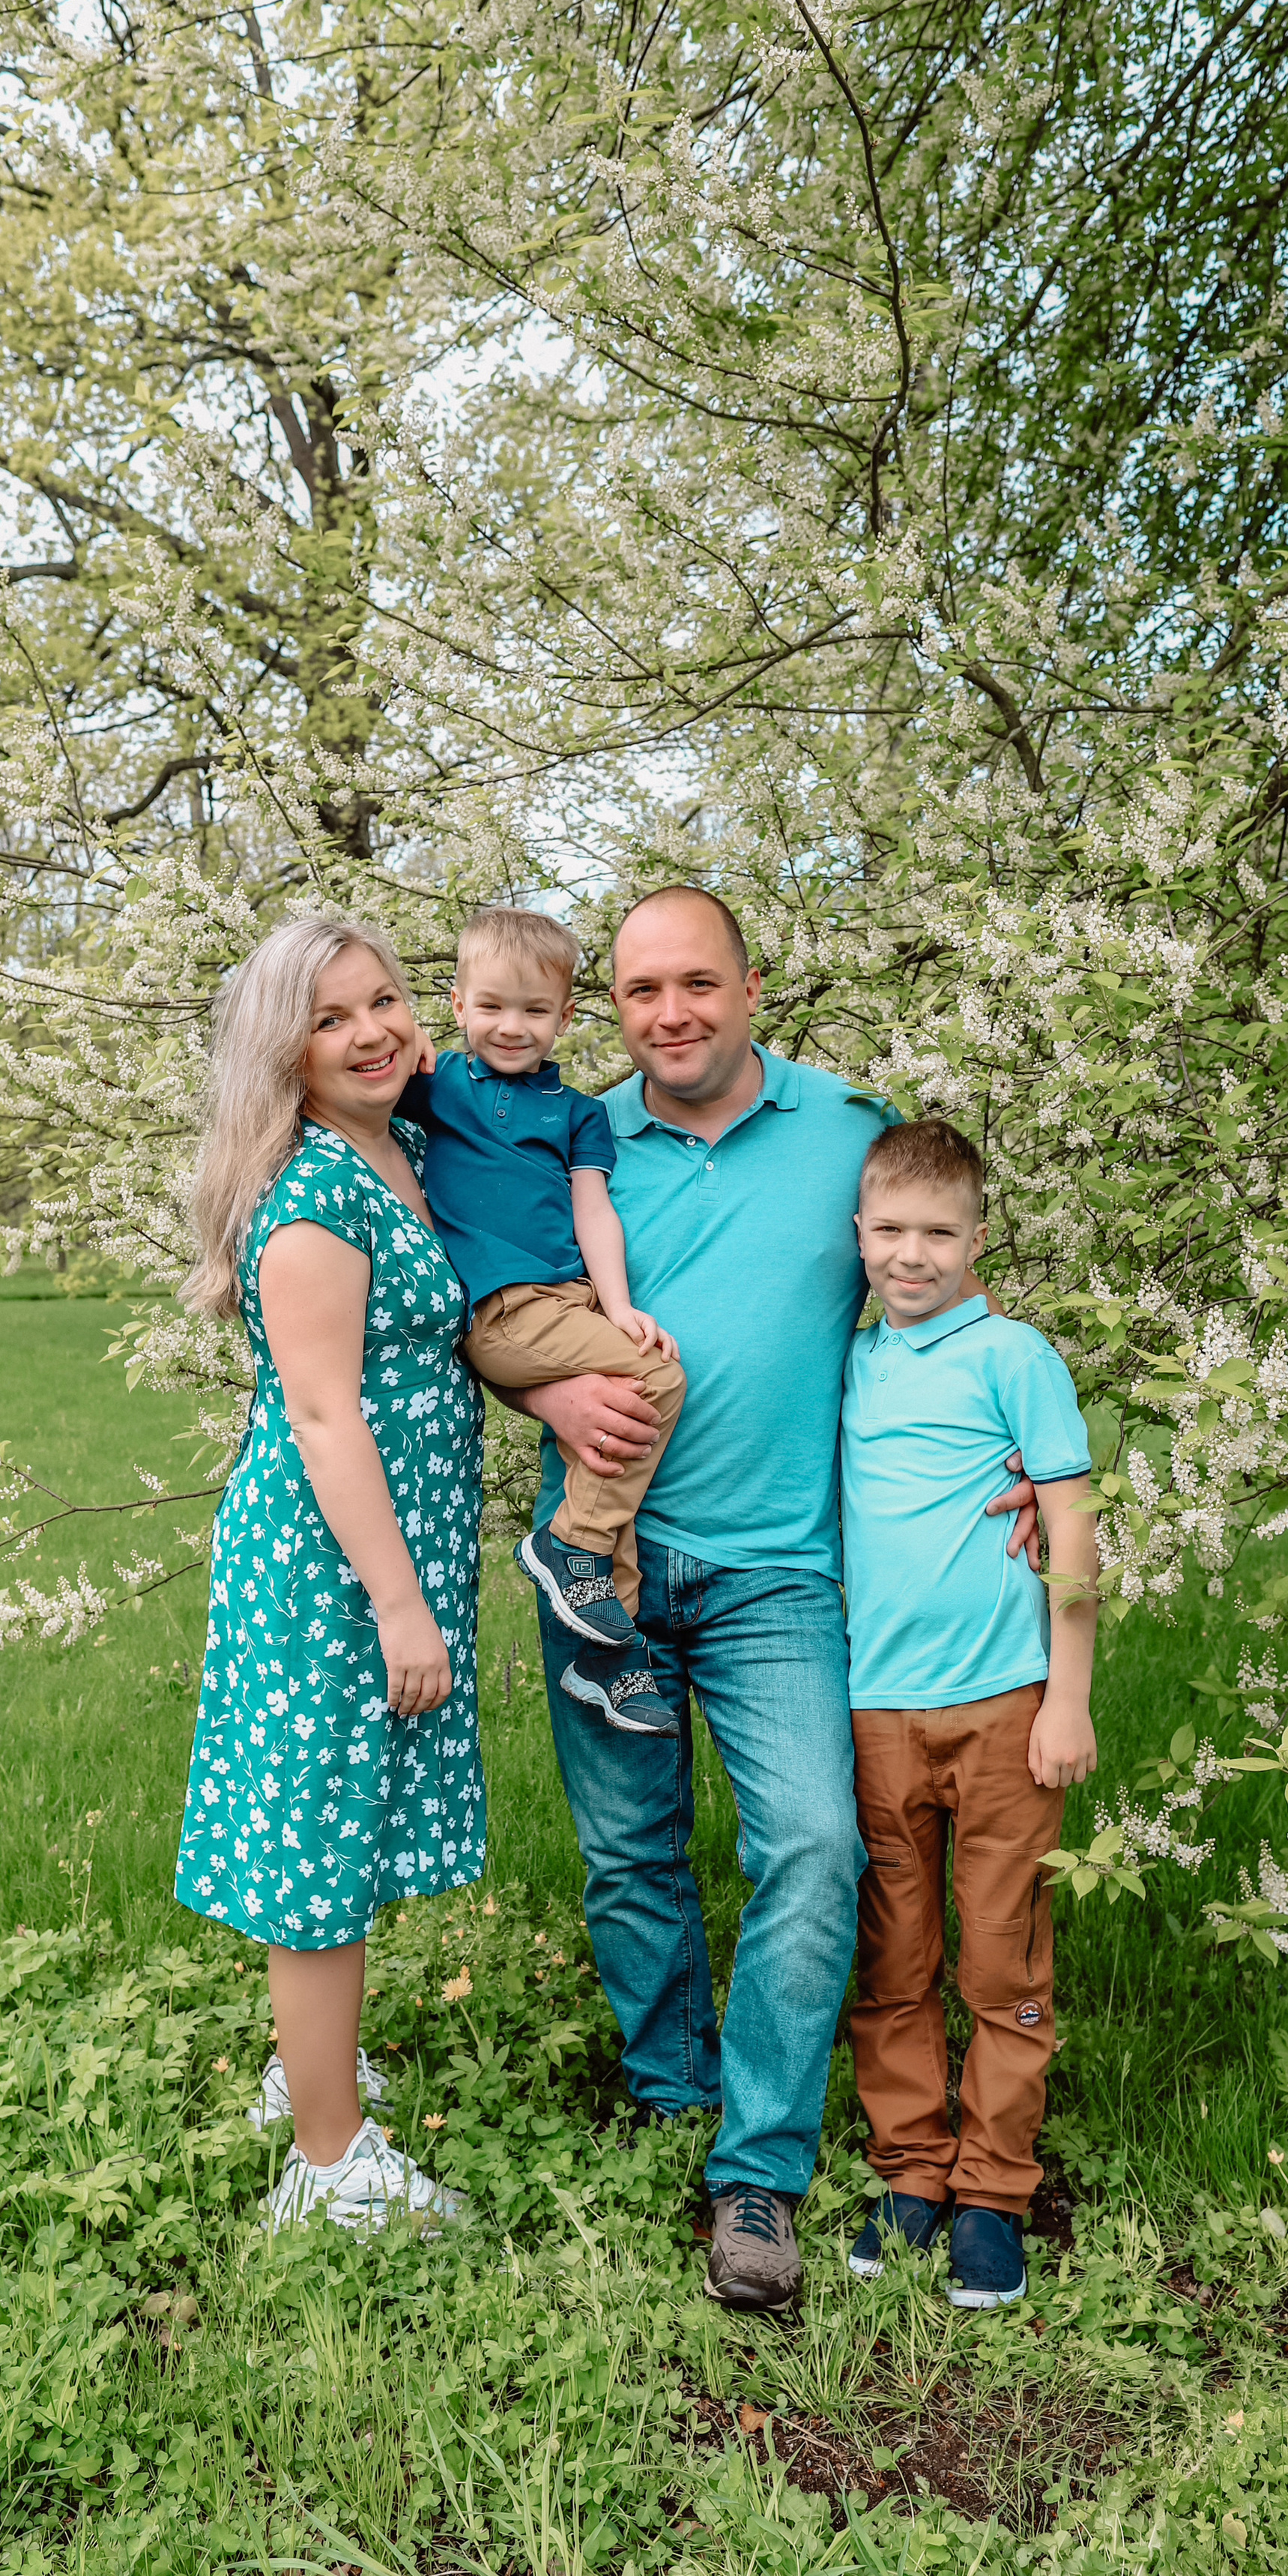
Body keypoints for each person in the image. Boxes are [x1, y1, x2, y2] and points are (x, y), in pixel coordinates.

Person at [497, 885, 1039, 2310]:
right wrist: (544, 1384)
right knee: (631, 1858)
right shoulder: (573, 1132)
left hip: (779, 1573)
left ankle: (759, 2170)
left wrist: (1029, 1461)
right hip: (601, 1559)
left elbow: (941, 1286)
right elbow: (473, 1293)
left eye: (696, 984)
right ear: (610, 1008)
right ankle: (673, 2097)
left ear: (750, 987)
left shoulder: (850, 1134)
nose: (669, 1015)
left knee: (811, 1844)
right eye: (638, 993)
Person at [174, 913, 484, 2234]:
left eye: (385, 1001)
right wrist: (401, 1602)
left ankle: (310, 2069)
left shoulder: (405, 1150)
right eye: (331, 1017)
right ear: (284, 1053)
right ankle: (329, 2160)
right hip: (332, 1565)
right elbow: (322, 1415)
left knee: (338, 1826)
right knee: (315, 1846)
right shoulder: (316, 1189)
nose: (372, 1033)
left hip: (383, 1548)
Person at [839, 1118, 1098, 2310]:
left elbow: (1074, 1527)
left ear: (979, 1238)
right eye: (890, 1230)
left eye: (939, 1232)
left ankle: (994, 2189)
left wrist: (1067, 1699)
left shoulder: (1015, 1357)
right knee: (894, 1960)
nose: (912, 1254)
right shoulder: (855, 1363)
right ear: (859, 1236)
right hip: (877, 1708)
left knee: (1004, 1961)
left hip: (1003, 1710)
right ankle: (911, 2171)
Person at [396, 905, 686, 1738]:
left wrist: (618, 1305)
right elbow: (364, 1075)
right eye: (490, 1006)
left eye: (533, 1010)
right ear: (457, 1005)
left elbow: (593, 1212)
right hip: (501, 1309)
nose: (510, 1027)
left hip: (568, 1304)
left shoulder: (577, 1113)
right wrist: (411, 1046)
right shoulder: (442, 1084)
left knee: (610, 1454)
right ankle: (567, 1545)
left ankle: (611, 1666)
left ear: (566, 1016)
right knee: (658, 1378)